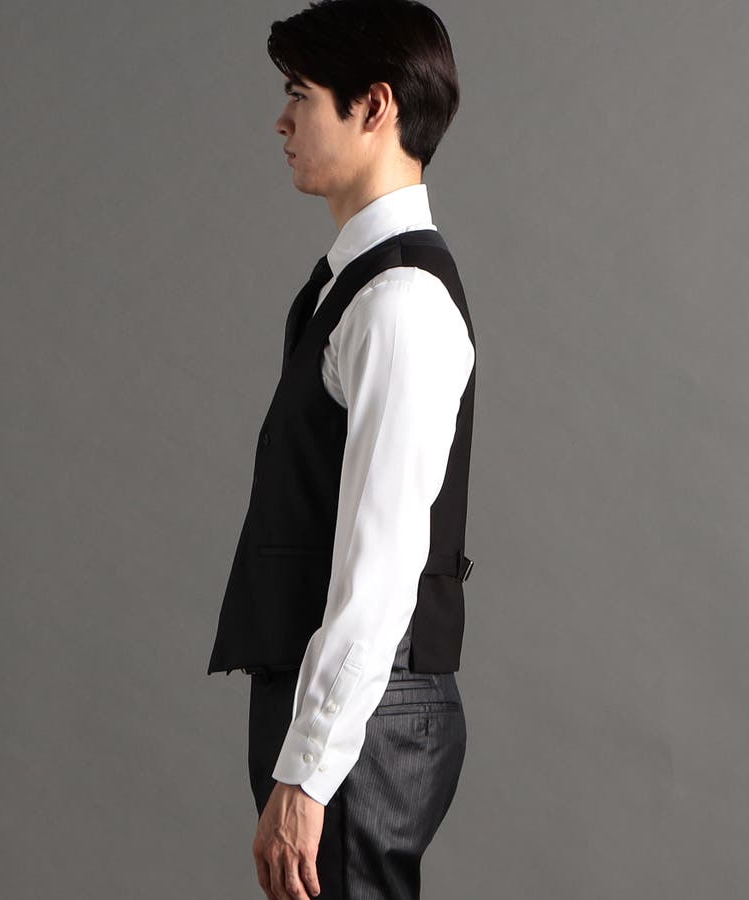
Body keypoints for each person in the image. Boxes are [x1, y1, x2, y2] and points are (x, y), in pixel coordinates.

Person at [206, 1, 477, 897]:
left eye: (300, 94)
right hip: (350, 708)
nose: (281, 122)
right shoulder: (351, 288)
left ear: (376, 106)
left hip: (367, 718)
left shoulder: (400, 303)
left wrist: (311, 769)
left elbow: (383, 564)